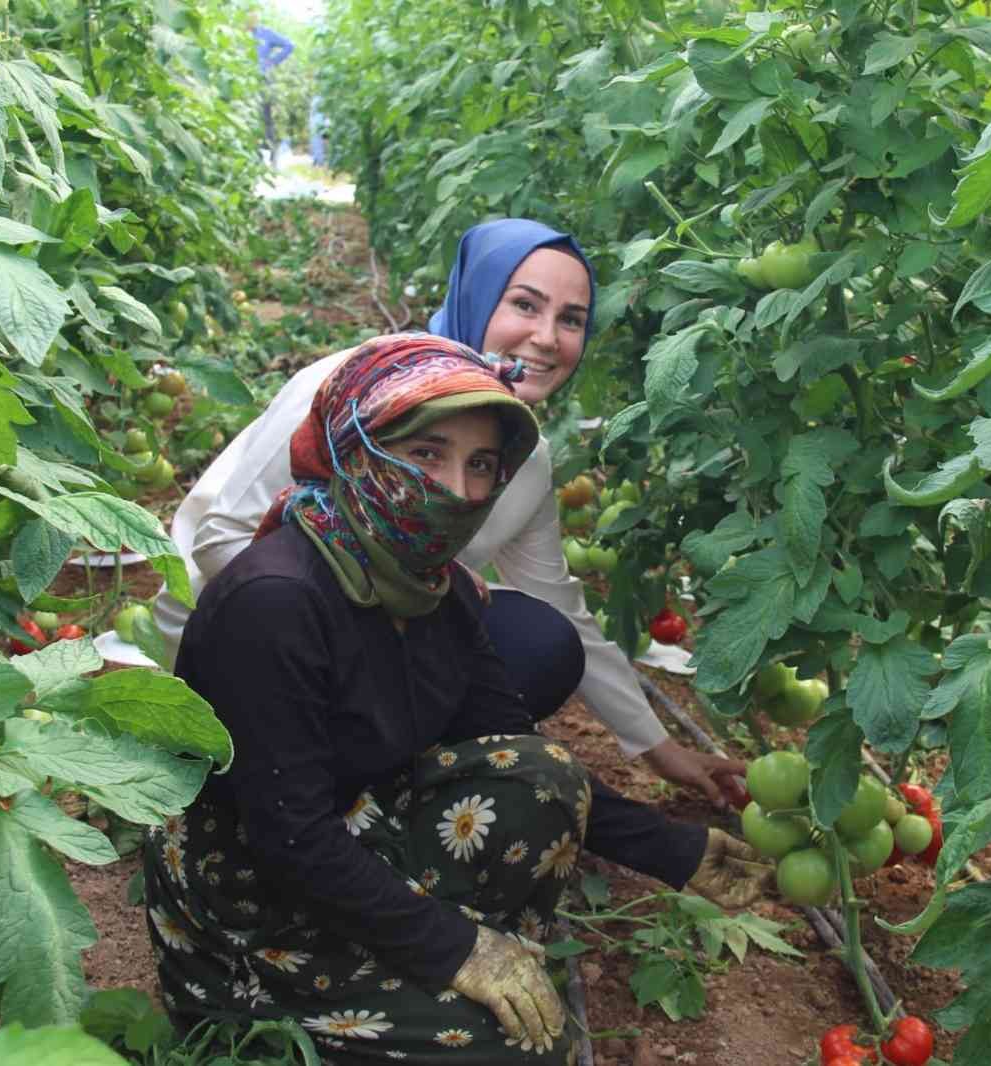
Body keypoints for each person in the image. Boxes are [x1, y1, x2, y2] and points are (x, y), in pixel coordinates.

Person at [144, 334, 769, 1063]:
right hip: (249, 898)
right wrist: (459, 948)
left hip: (349, 826)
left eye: (481, 466)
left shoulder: (430, 586)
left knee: (546, 779)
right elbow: (290, 839)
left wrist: (674, 847)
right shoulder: (276, 603)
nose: (460, 491)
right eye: (427, 455)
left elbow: (506, 735)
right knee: (517, 1048)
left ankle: (399, 946)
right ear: (354, 448)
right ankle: (242, 1015)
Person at [152, 220, 745, 808]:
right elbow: (221, 540)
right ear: (476, 296)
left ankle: (384, 784)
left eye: (571, 319)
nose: (546, 337)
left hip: (370, 639)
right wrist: (370, 636)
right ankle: (300, 791)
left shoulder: (522, 456)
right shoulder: (362, 388)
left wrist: (660, 750)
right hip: (244, 638)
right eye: (524, 305)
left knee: (540, 643)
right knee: (449, 633)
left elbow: (558, 602)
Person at [246, 16, 293, 160]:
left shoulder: (265, 33)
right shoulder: (237, 32)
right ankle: (252, 155)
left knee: (265, 116)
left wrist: (271, 62)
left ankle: (271, 155)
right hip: (244, 80)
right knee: (247, 116)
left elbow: (289, 45)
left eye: (255, 16)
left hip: (262, 80)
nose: (252, 19)